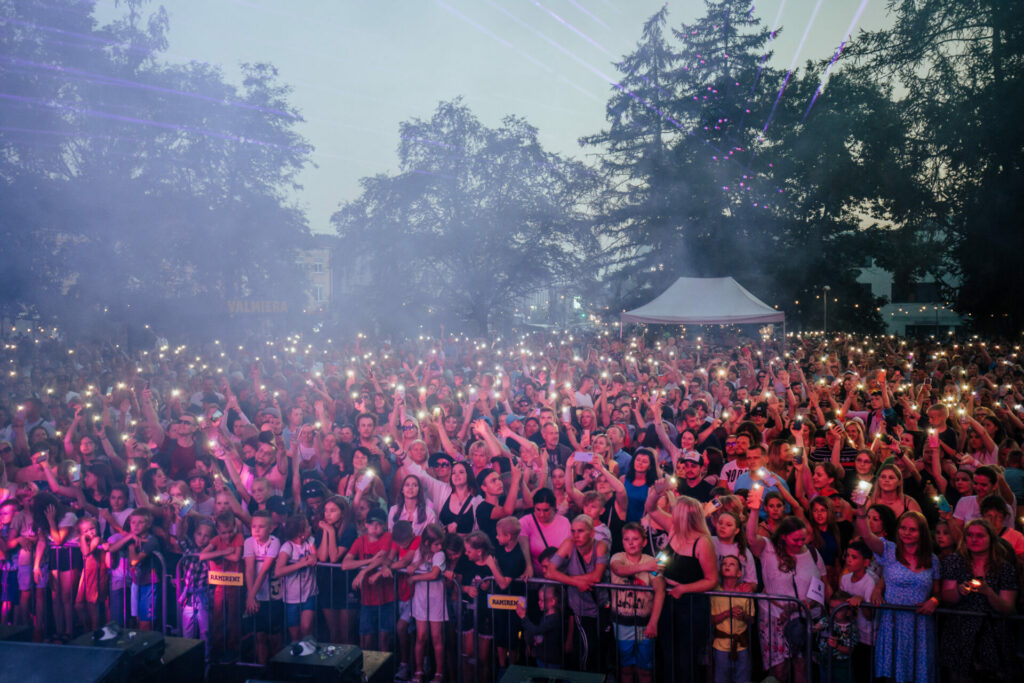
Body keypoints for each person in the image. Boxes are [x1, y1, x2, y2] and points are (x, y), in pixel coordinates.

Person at [854, 507, 939, 683]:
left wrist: (934, 600)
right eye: (903, 528)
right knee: (891, 676)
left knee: (918, 673)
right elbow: (868, 536)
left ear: (922, 532)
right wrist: (861, 510)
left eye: (912, 529)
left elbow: (938, 591)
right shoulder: (889, 550)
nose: (906, 533)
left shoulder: (932, 559)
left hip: (920, 625)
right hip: (892, 623)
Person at [746, 502, 827, 683]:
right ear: (783, 537)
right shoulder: (768, 549)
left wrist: (809, 603)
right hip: (775, 618)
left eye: (803, 539)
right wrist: (754, 509)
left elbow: (821, 586)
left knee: (802, 667)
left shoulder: (812, 553)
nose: (801, 543)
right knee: (779, 671)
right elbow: (751, 538)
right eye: (795, 540)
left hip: (803, 619)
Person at [647, 495, 718, 680]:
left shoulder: (702, 542)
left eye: (677, 512)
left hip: (691, 605)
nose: (673, 514)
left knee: (687, 658)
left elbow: (711, 580)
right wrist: (659, 490)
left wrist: (684, 589)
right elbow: (651, 508)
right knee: (668, 654)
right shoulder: (673, 529)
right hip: (669, 600)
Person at [939, 519, 1018, 682]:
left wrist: (989, 593)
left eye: (980, 536)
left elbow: (1007, 607)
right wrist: (959, 591)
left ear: (991, 539)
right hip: (959, 634)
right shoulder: (955, 562)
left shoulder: (1004, 568)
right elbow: (946, 595)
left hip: (993, 635)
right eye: (970, 535)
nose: (974, 540)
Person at [543, 514, 610, 673]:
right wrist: (577, 583)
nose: (575, 535)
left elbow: (596, 577)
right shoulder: (569, 544)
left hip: (601, 608)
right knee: (588, 653)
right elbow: (550, 572)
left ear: (592, 533)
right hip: (580, 610)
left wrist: (568, 578)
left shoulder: (600, 546)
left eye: (580, 531)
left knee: (600, 654)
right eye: (573, 531)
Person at [609, 522, 665, 683]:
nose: (631, 542)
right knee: (626, 668)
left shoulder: (653, 561)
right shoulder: (618, 557)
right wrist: (647, 566)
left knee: (645, 669)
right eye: (627, 539)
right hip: (622, 623)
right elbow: (619, 570)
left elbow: (660, 590)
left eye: (635, 539)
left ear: (644, 542)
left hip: (644, 623)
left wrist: (653, 622)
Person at [342, 506, 395, 652]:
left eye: (379, 523)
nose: (375, 526)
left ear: (384, 525)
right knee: (366, 639)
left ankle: (384, 672)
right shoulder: (360, 541)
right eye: (371, 522)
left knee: (385, 639)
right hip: (367, 598)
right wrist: (366, 563)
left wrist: (362, 572)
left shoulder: (388, 536)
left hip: (387, 597)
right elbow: (345, 565)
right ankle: (366, 671)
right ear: (366, 524)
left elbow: (383, 556)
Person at [243, 510, 283, 666]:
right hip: (256, 597)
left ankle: (278, 670)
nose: (256, 530)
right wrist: (252, 596)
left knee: (275, 637)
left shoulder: (275, 542)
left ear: (271, 528)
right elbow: (249, 569)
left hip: (273, 597)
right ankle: (262, 670)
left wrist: (250, 596)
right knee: (259, 636)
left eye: (261, 527)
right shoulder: (248, 542)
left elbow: (265, 570)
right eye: (254, 526)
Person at [408, 523, 447, 683]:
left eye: (440, 543)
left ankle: (439, 672)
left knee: (436, 637)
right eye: (436, 544)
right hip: (421, 599)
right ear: (426, 543)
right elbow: (414, 564)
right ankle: (419, 670)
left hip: (436, 599)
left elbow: (434, 574)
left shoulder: (440, 555)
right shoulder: (419, 552)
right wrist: (414, 565)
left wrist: (414, 577)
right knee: (421, 636)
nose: (439, 546)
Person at [710, 555, 754, 683]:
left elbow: (751, 619)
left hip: (741, 645)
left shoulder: (745, 593)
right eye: (724, 564)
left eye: (732, 564)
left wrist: (743, 616)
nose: (727, 566)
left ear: (739, 573)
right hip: (720, 646)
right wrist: (727, 613)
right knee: (721, 679)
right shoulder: (714, 592)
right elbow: (710, 620)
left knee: (743, 679)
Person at [836, 540, 876, 683]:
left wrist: (862, 603)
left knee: (864, 673)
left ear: (865, 562)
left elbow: (870, 616)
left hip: (866, 638)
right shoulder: (845, 579)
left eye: (854, 557)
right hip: (849, 634)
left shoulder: (870, 582)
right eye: (847, 556)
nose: (848, 560)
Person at [275, 514, 318, 642]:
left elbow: (315, 556)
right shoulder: (287, 547)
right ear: (300, 532)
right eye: (307, 526)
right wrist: (301, 564)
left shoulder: (309, 541)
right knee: (295, 637)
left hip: (309, 593)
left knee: (306, 628)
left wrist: (313, 557)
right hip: (292, 598)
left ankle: (310, 659)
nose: (310, 527)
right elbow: (278, 571)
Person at [178, 517, 215, 657]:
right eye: (199, 534)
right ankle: (189, 658)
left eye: (206, 536)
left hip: (204, 596)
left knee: (205, 630)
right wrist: (180, 519)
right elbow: (180, 538)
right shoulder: (190, 548)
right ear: (194, 535)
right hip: (188, 595)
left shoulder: (212, 552)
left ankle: (206, 659)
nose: (202, 538)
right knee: (187, 629)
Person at [519, 488, 571, 576]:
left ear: (554, 507)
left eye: (546, 510)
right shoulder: (525, 522)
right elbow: (523, 545)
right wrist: (528, 567)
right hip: (535, 578)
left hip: (558, 577)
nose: (541, 514)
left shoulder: (564, 522)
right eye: (538, 509)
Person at [516, 584, 561, 669]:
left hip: (551, 662)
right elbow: (539, 636)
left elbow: (537, 631)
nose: (538, 602)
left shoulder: (554, 619)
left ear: (552, 601)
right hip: (542, 658)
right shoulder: (545, 614)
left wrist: (523, 617)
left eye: (542, 600)